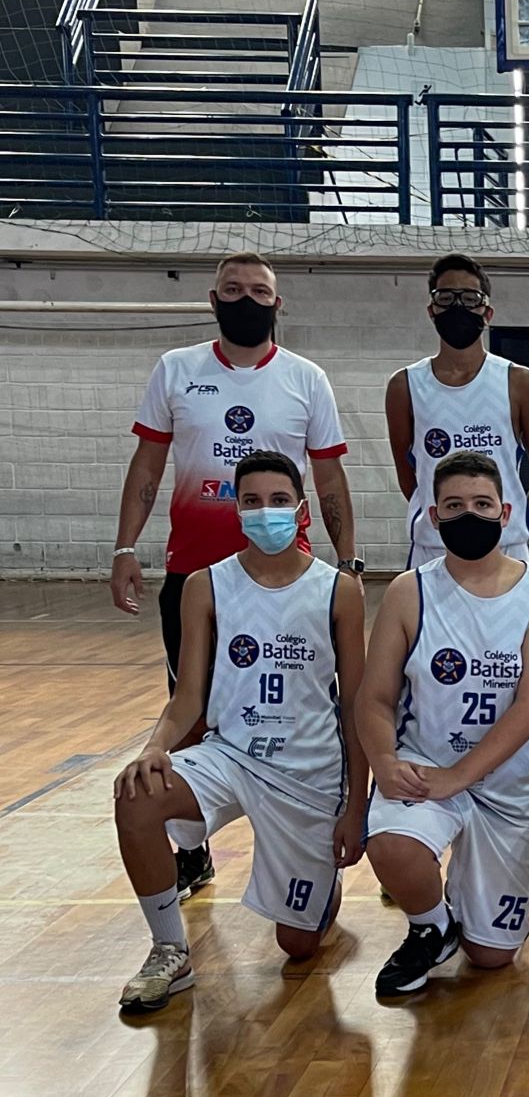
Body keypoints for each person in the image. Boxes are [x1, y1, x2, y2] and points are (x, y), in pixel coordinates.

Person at [111, 251, 358, 899]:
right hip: (196, 573)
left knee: (301, 700)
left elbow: (329, 478)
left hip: (287, 581)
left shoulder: (305, 378)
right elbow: (147, 464)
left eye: (259, 290)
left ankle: (311, 813)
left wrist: (348, 559)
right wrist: (125, 547)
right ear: (213, 298)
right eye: (233, 288)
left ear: (278, 303)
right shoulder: (177, 369)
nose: (246, 298)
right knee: (190, 708)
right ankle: (192, 849)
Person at [111, 451, 367, 1013]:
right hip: (231, 754)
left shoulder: (339, 590)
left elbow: (355, 706)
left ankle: (321, 887)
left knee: (298, 946)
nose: (265, 511)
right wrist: (153, 747)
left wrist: (356, 809)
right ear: (237, 510)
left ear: (301, 510)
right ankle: (169, 950)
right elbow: (188, 697)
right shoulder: (205, 585)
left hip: (308, 773)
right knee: (136, 792)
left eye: (278, 500)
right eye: (252, 501)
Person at [384, 251, 529, 895]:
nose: (456, 306)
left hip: (505, 555)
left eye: (468, 297)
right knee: (421, 693)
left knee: (515, 689)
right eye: (446, 296)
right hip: (432, 557)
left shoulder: (518, 381)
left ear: (487, 310)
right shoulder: (404, 385)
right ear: (429, 305)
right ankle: (418, 823)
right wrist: (445, 525)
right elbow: (410, 476)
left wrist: (511, 531)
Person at [358, 451, 529, 997]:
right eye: (453, 506)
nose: (468, 515)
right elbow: (374, 698)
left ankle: (467, 905)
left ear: (505, 513)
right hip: (426, 764)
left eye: (481, 504)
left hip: (506, 783)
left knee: (492, 957)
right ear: (433, 517)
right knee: (392, 845)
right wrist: (384, 761)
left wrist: (461, 776)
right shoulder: (409, 591)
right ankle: (431, 927)